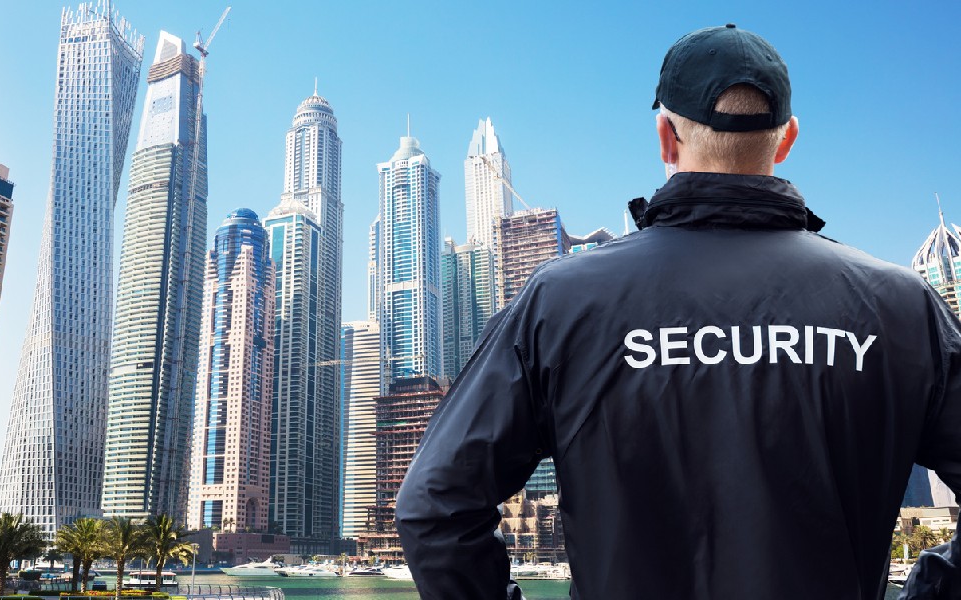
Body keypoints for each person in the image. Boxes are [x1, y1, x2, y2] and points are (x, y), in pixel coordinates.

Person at [395, 24, 961, 599]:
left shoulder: (560, 301)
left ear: (665, 136)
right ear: (787, 139)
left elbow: (434, 507)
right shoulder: (900, 305)